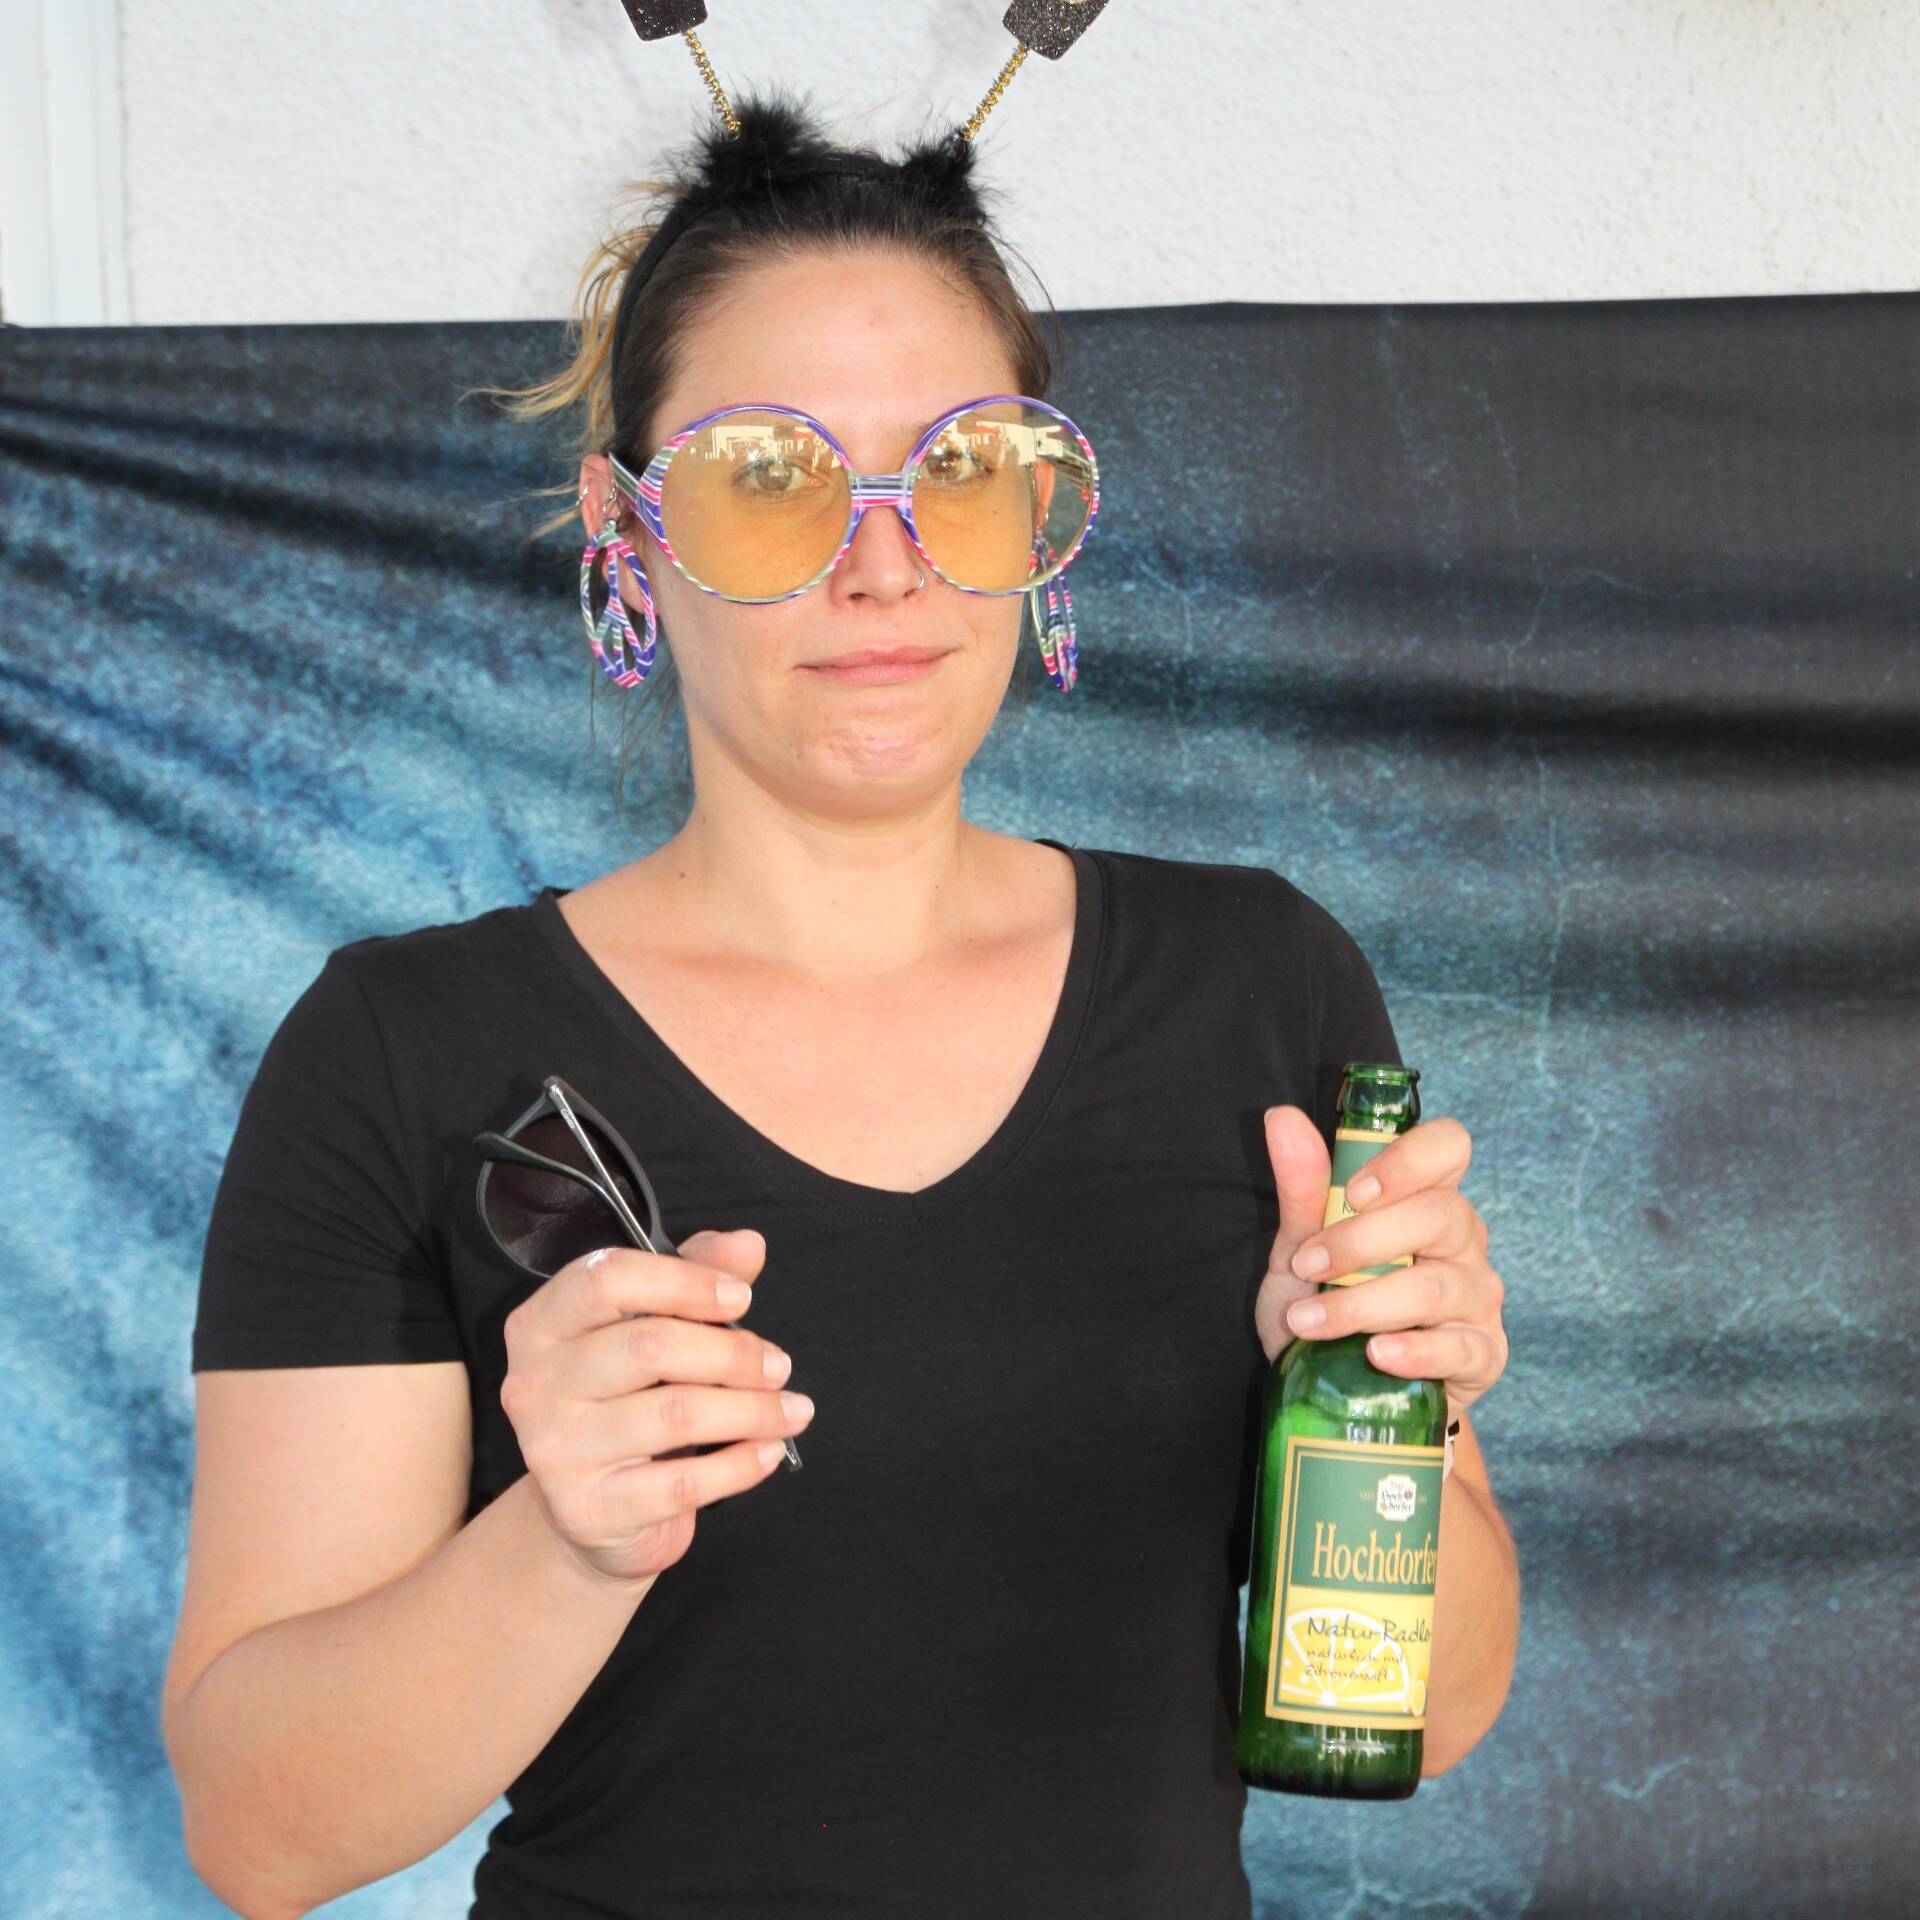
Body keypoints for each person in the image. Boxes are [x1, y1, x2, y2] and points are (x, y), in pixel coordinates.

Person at [162, 83, 1517, 1920]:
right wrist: (564, 1544)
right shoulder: (406, 1052)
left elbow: (1430, 1714)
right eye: (768, 476)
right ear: (628, 530)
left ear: (1039, 512)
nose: (883, 563)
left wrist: (1392, 1405)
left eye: (960, 468)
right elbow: (261, 1832)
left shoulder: (1264, 991)